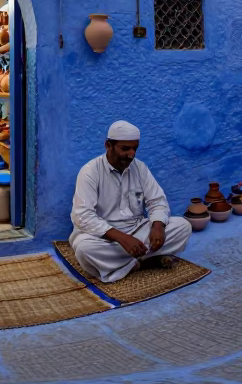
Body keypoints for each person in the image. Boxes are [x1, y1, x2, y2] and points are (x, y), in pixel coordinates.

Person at [69, 120, 192, 283]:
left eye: (135, 148)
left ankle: (132, 262)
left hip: (139, 230)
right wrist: (122, 238)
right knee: (84, 249)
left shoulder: (140, 168)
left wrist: (157, 227)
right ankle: (146, 260)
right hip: (105, 238)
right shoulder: (90, 172)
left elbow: (157, 201)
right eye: (125, 148)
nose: (131, 154)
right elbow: (82, 216)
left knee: (183, 226)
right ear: (108, 145)